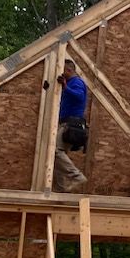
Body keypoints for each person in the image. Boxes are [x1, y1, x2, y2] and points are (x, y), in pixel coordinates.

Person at [54, 59, 88, 192]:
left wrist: (66, 87)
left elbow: (79, 96)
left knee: (55, 151)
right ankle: (60, 188)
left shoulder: (77, 82)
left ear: (69, 70)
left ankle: (77, 176)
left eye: (63, 70)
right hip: (67, 123)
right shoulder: (70, 82)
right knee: (57, 157)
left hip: (71, 124)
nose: (62, 73)